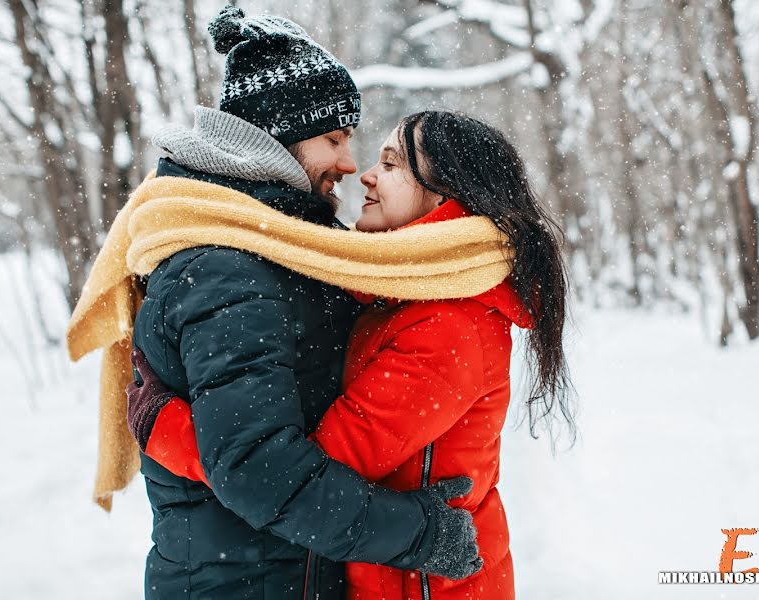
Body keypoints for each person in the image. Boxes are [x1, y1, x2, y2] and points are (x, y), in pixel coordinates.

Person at [127, 110, 574, 599]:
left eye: (392, 163)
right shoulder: (399, 294)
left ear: (446, 196)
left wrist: (163, 425)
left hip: (426, 586)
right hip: (389, 575)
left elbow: (283, 476)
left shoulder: (449, 326)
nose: (365, 172)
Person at [125, 8, 483, 599]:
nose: (349, 163)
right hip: (243, 583)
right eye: (334, 139)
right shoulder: (228, 266)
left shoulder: (285, 247)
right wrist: (417, 534)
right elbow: (258, 469)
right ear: (280, 136)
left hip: (281, 574)